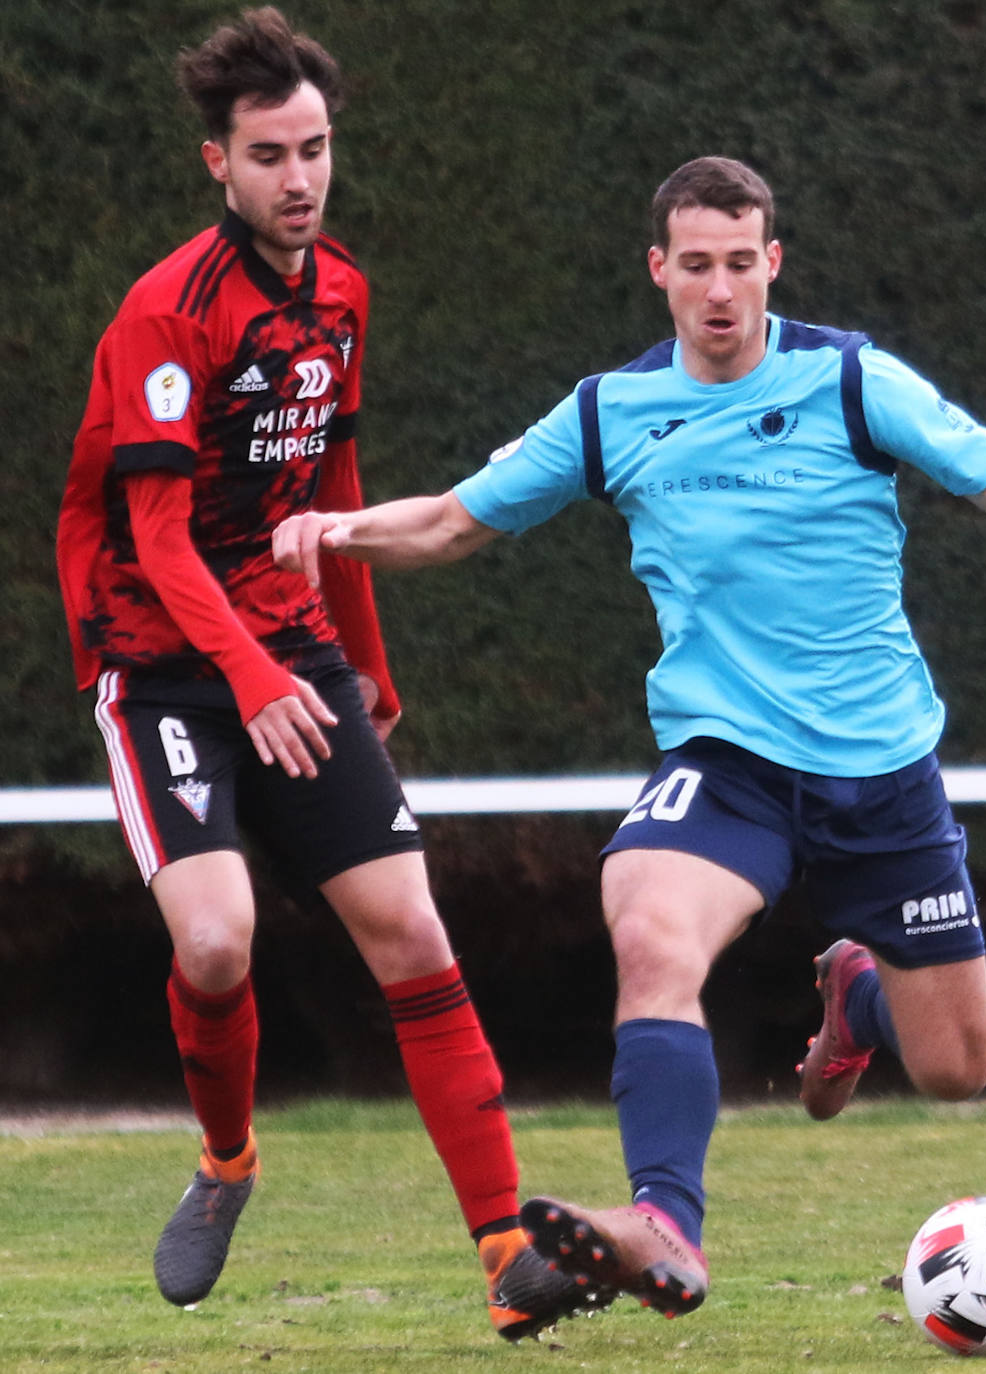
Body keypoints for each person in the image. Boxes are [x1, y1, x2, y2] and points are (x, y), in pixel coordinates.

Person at [271, 155, 986, 1318]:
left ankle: (858, 999)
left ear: (771, 263)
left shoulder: (854, 381)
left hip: (880, 774)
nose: (719, 291)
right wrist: (334, 529)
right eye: (696, 266)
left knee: (956, 1068)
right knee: (650, 933)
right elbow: (449, 523)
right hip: (726, 765)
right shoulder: (608, 413)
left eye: (740, 264)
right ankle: (663, 1219)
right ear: (658, 270)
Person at [54, 7, 611, 1341]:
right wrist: (250, 679)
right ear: (217, 163)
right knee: (215, 939)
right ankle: (227, 1159)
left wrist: (364, 663)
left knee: (412, 931)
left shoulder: (342, 291)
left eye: (313, 149)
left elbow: (333, 484)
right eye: (268, 155)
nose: (298, 177)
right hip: (162, 661)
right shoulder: (167, 313)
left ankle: (506, 1256)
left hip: (289, 651)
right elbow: (157, 537)